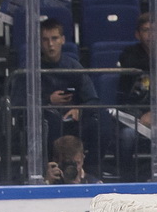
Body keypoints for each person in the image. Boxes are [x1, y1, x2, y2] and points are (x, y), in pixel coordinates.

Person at [11, 19, 103, 178]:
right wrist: (48, 100)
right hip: (44, 121)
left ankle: (90, 173)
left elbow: (92, 98)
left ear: (63, 40)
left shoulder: (73, 66)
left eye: (54, 38)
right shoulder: (29, 68)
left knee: (101, 120)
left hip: (72, 121)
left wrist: (79, 109)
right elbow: (18, 103)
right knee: (48, 121)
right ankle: (46, 172)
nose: (50, 44)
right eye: (45, 40)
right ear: (39, 42)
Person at [114, 13, 157, 181]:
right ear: (138, 34)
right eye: (146, 30)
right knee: (127, 137)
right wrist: (154, 60)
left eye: (156, 30)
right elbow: (132, 66)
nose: (151, 35)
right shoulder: (129, 54)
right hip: (136, 116)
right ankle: (126, 180)